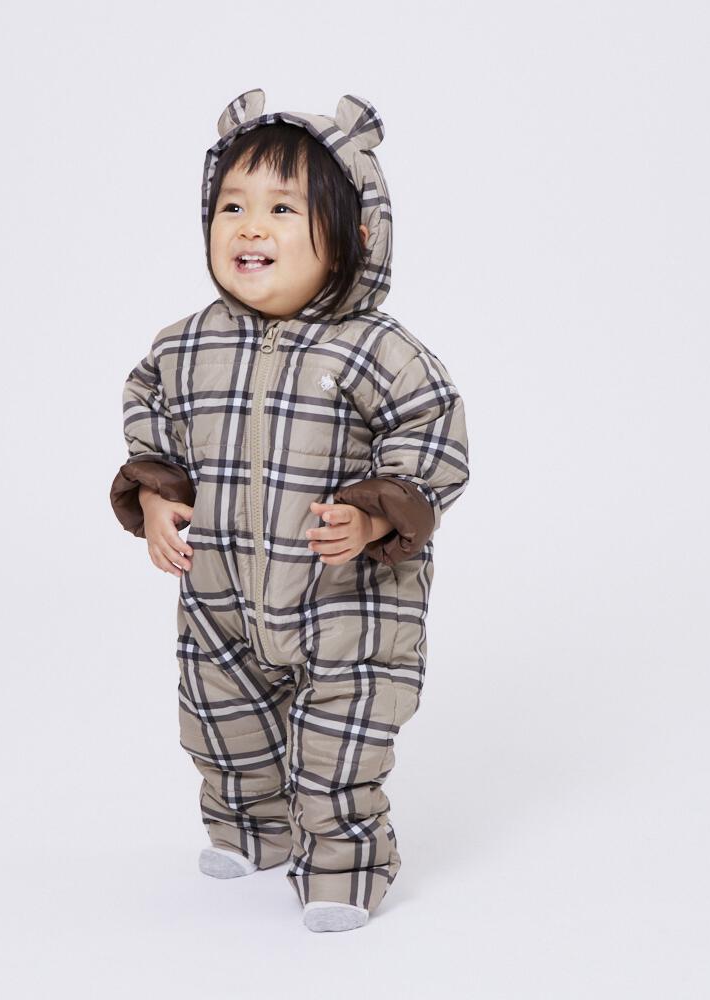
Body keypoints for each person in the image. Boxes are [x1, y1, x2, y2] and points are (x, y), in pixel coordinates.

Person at [109, 88, 470, 932]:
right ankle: (250, 827)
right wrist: (159, 498)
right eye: (231, 206)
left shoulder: (379, 350)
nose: (250, 227)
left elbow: (434, 439)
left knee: (338, 751)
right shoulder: (185, 345)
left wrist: (373, 518)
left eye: (281, 208)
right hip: (222, 593)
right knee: (218, 723)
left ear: (356, 235)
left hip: (348, 605)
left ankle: (344, 865)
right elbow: (149, 415)